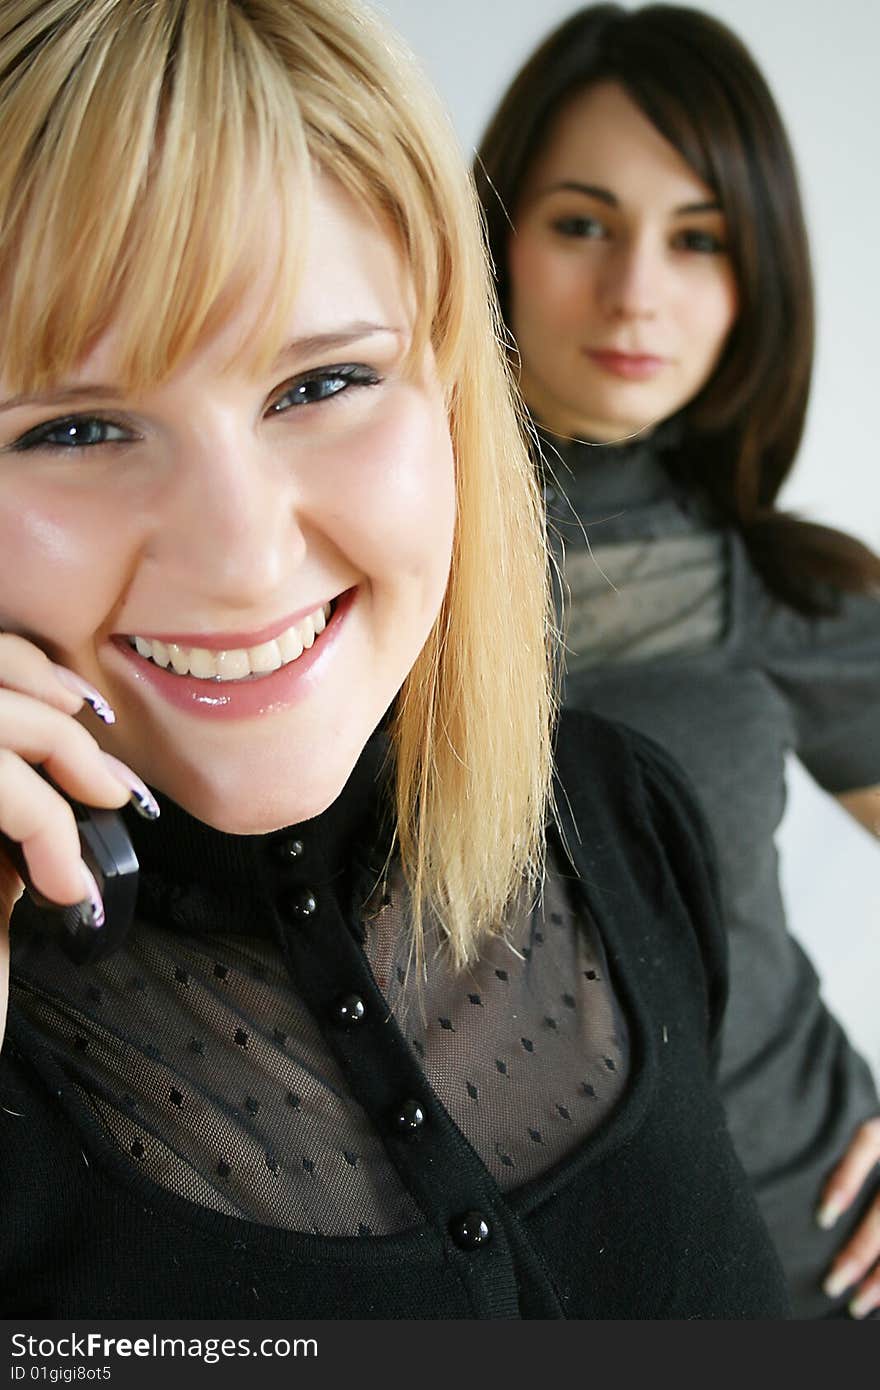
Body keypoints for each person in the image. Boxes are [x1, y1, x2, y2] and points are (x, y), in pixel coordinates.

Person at [0, 0, 790, 1320]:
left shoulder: (629, 814)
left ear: (452, 397)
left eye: (319, 387)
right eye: (77, 427)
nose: (245, 559)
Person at [474, 1, 880, 1320]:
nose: (635, 288)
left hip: (807, 1257)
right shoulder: (342, 550)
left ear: (757, 275)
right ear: (498, 236)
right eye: (583, 221)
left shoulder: (782, 584)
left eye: (698, 238)